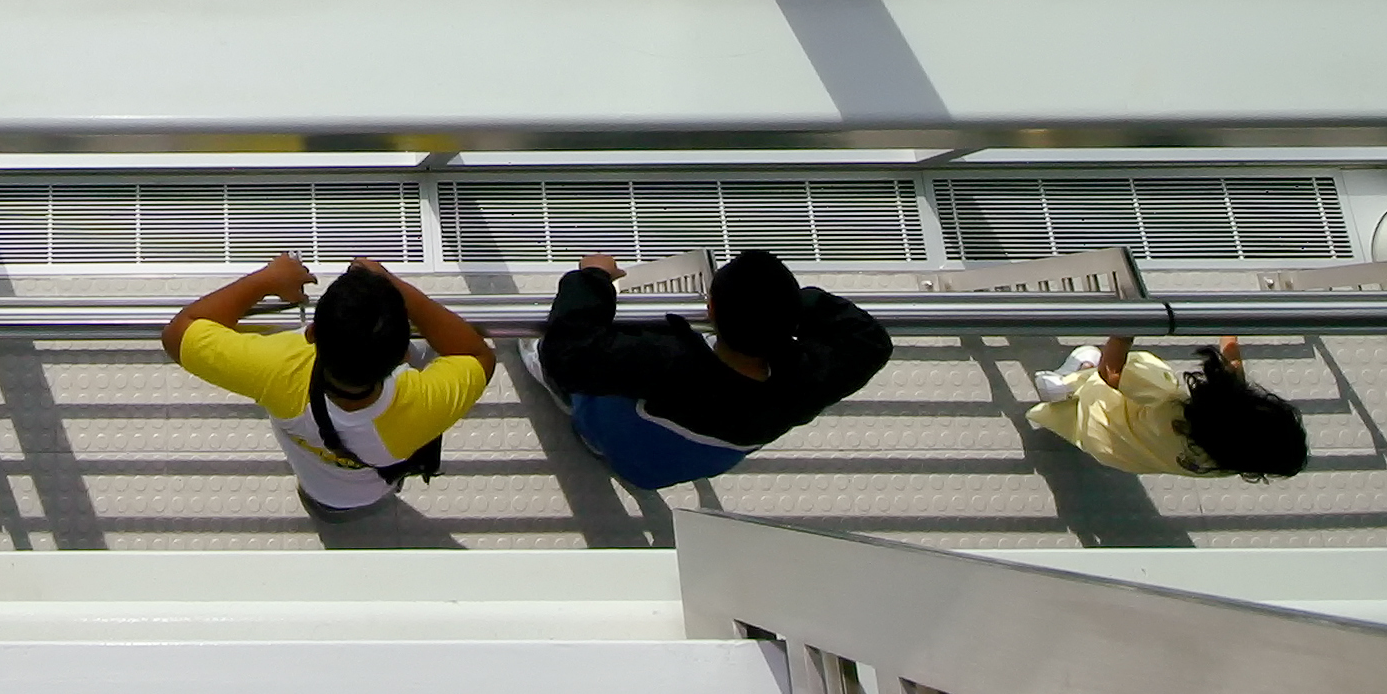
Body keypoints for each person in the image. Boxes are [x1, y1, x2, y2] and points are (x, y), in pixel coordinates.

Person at [162, 253, 492, 522]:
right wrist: (395, 288)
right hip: (376, 487)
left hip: (316, 487)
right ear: (403, 355)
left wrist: (266, 280)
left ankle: (322, 508)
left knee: (321, 499)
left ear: (312, 334)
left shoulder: (278, 368)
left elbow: (179, 332)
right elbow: (476, 354)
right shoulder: (421, 404)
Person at [534, 249, 892, 491]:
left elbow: (567, 354)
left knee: (567, 353)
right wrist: (785, 303)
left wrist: (593, 279)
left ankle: (580, 419)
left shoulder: (664, 360)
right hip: (665, 471)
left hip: (619, 441)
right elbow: (870, 341)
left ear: (711, 312)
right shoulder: (808, 381)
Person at [1025, 334, 1311, 480]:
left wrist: (1127, 324)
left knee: (1150, 371)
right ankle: (1073, 384)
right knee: (1104, 424)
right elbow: (1233, 384)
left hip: (1101, 409)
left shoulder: (1168, 403)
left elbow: (1112, 372)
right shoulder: (1227, 461)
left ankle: (1073, 383)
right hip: (1112, 451)